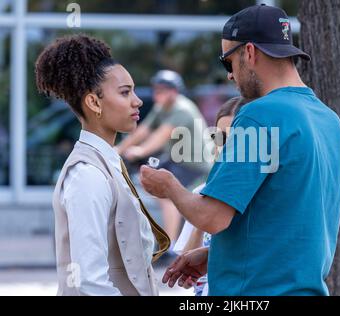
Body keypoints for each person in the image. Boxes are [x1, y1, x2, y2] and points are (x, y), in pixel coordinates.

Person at [140, 4, 340, 296]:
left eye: (228, 62)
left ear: (249, 53)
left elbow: (212, 217)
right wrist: (216, 257)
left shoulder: (260, 114)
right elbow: (288, 221)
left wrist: (169, 186)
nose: (229, 76)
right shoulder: (329, 120)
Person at [35, 34, 170, 296]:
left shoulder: (106, 162)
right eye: (125, 92)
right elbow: (90, 282)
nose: (137, 100)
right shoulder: (88, 174)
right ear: (94, 102)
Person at [116, 70, 211, 243]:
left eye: (162, 90)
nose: (157, 94)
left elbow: (162, 135)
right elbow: (143, 130)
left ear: (174, 92)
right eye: (156, 89)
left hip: (195, 164)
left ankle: (170, 245)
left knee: (166, 195)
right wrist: (118, 149)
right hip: (178, 159)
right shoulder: (162, 107)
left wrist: (140, 151)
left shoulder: (182, 109)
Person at [173, 96, 250, 296]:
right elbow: (186, 278)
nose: (224, 146)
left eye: (234, 138)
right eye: (220, 138)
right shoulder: (202, 192)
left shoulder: (259, 198)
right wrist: (204, 215)